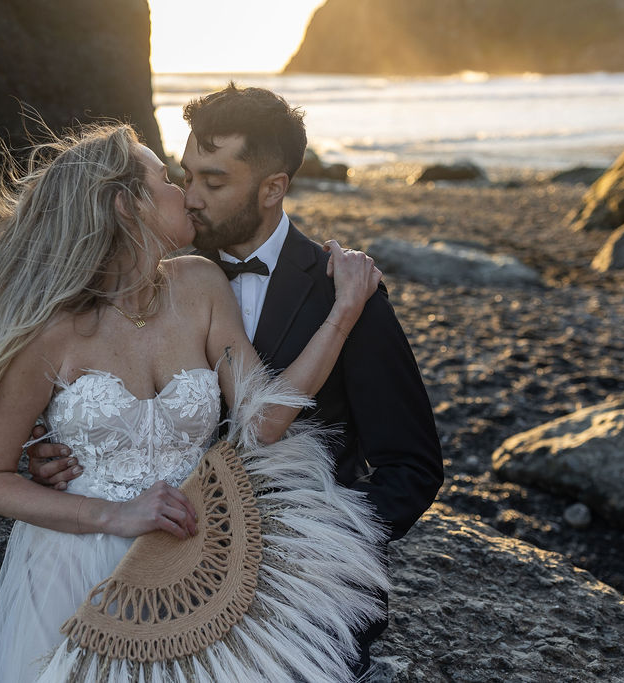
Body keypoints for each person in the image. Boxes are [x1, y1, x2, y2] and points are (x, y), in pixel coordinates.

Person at [0, 122, 388, 681]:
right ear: (126, 205)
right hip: (75, 564)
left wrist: (344, 311)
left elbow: (266, 419)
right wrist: (115, 513)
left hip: (196, 557)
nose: (186, 192)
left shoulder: (200, 285)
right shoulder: (49, 330)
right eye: (167, 179)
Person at [29, 85, 444, 676]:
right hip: (153, 549)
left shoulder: (345, 291)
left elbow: (411, 465)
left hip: (294, 574)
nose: (191, 198)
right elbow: (93, 376)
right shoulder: (156, 277)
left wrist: (323, 544)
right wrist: (52, 448)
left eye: (214, 183)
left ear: (273, 188)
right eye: (185, 175)